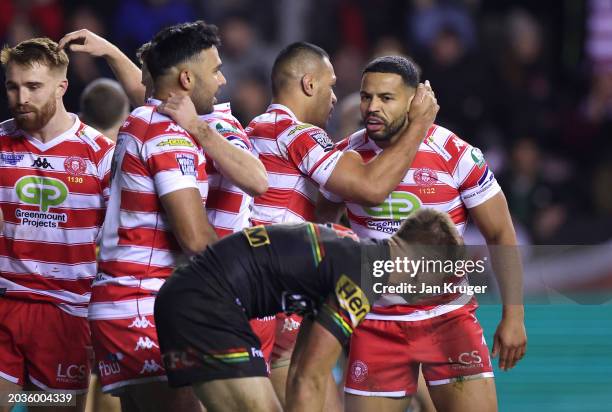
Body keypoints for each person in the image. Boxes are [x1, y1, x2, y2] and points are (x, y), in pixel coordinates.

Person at [317, 55, 527, 412]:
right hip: (375, 324)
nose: (372, 107)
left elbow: (500, 233)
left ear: (415, 101)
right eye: (367, 97)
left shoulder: (456, 154)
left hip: (448, 320)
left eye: (386, 98)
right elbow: (316, 227)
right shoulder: (347, 155)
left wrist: (514, 316)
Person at [59, 29, 276, 366]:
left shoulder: (198, 122)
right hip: (180, 294)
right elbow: (158, 92)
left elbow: (257, 179)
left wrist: (110, 52)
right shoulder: (169, 127)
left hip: (164, 293)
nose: (223, 79)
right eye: (216, 70)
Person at [246, 41, 438, 407]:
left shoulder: (254, 128)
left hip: (273, 295)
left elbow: (321, 215)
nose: (335, 97)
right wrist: (419, 126)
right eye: (330, 85)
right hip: (270, 297)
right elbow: (371, 188)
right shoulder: (297, 134)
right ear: (308, 84)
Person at [153, 208, 465, 412]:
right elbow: (308, 381)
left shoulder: (353, 255)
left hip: (192, 296)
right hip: (206, 303)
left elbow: (301, 371)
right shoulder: (365, 276)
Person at [0, 37, 115, 411]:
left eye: (33, 87)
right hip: (6, 301)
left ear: (62, 87)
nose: (21, 98)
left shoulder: (100, 154)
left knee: (53, 407)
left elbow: (121, 242)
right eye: (13, 86)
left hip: (67, 313)